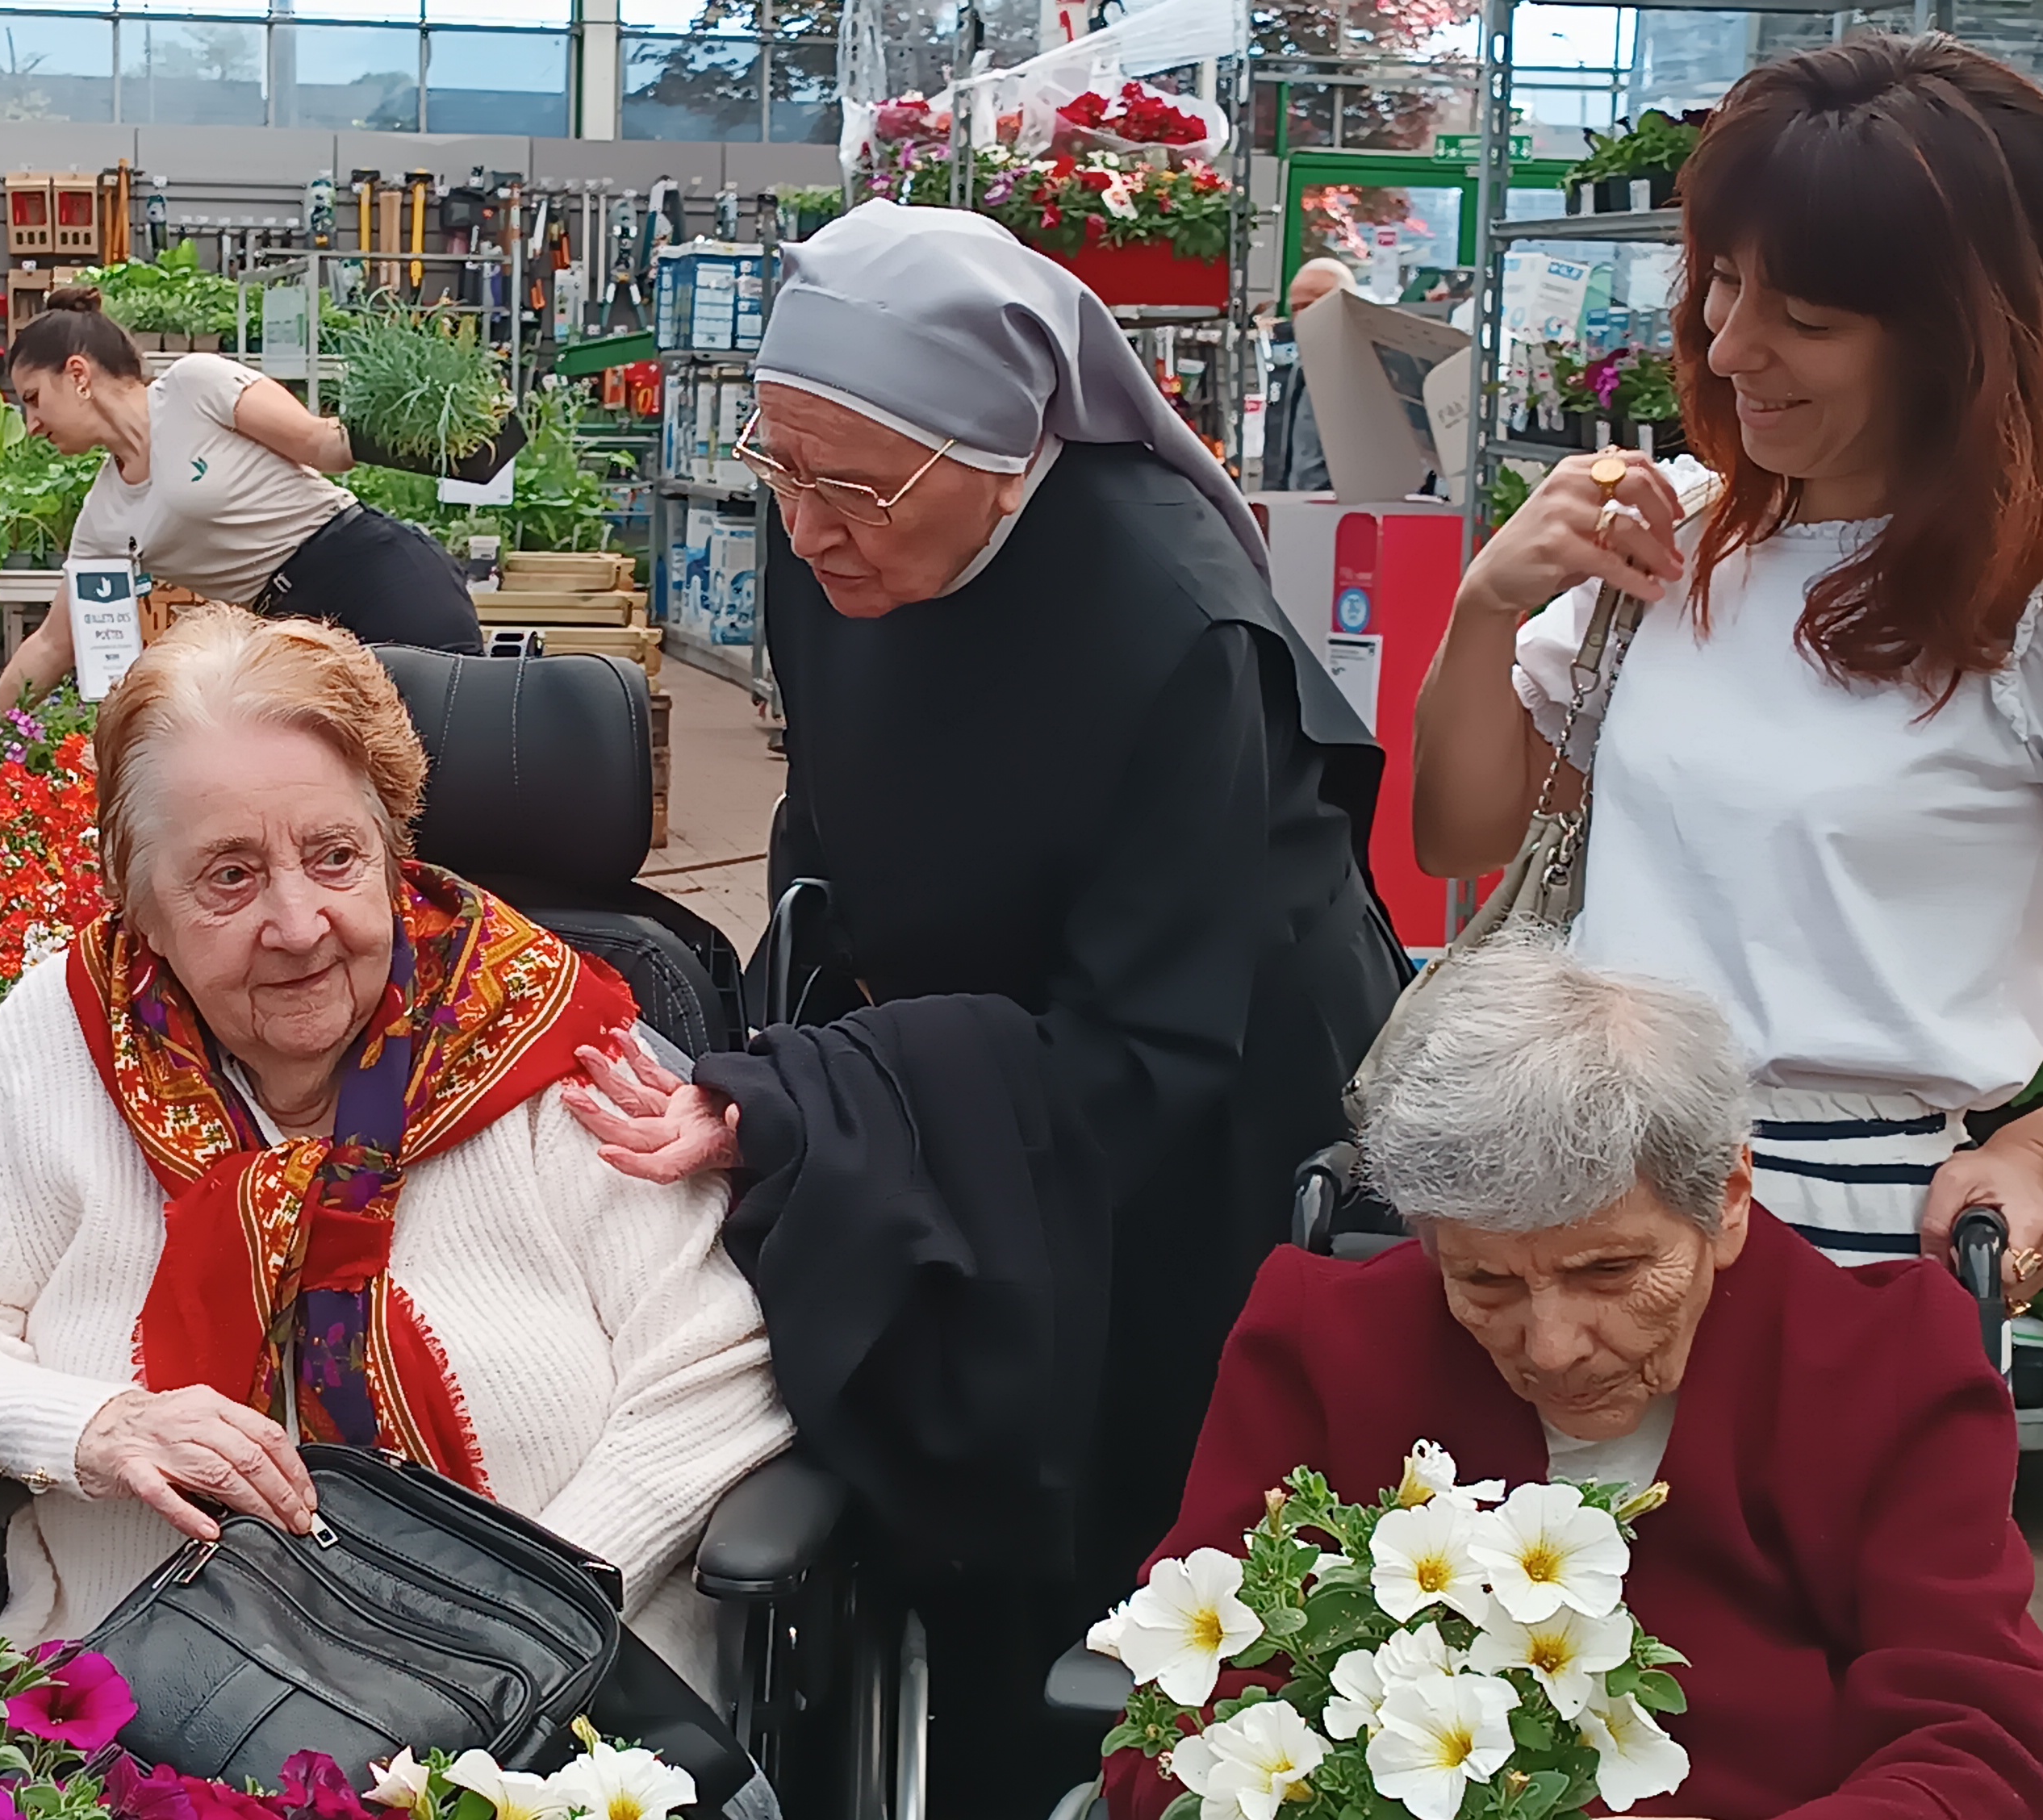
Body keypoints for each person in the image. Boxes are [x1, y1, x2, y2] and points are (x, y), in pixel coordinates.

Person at [558, 200, 1407, 1817]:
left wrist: (838, 1093)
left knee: (1130, 1547)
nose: (803, 529)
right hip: (973, 1058)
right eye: (776, 464)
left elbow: (1148, 1050)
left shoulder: (1174, 633)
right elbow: (826, 833)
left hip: (1194, 1113)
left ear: (1007, 454)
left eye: (854, 487)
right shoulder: (831, 538)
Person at [1411, 35, 2043, 1289]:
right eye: (1723, 283)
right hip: (1570, 1202)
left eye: (1806, 317)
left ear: (1963, 334)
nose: (1729, 349)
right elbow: (1460, 839)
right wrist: (1485, 612)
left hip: (1841, 1234)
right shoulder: (1681, 531)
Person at [0, 606, 793, 1697]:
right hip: (144, 1712)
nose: (300, 922)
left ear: (394, 851)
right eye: (228, 876)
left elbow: (723, 1370)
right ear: (139, 906)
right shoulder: (62, 1043)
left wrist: (525, 1611)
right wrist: (93, 1425)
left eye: (334, 857)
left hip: (540, 1721)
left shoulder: (554, 1044)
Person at [1117, 939, 2043, 1819]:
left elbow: (1979, 1744)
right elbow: (1182, 1710)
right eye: (1484, 1280)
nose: (1550, 1347)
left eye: (1608, 1272)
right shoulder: (1323, 1343)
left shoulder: (1891, 1362)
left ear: (1729, 1200)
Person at [0, 289, 495, 728]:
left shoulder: (192, 386)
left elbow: (320, 444)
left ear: (77, 375)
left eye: (33, 398)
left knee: (460, 738)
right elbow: (52, 644)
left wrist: (446, 423)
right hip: (297, 633)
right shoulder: (104, 516)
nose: (32, 424)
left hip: (376, 574)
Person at [1258, 256, 1354, 491]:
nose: (1301, 316)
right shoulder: (1295, 370)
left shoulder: (1368, 369)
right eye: (1295, 308)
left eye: (1310, 304)